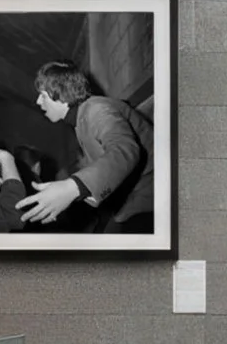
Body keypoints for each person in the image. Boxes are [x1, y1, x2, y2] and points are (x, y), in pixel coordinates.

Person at [17, 61, 156, 234]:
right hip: (132, 203)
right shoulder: (81, 118)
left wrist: (72, 188)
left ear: (61, 94)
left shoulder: (97, 110)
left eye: (43, 95)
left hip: (151, 201)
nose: (38, 102)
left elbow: (125, 150)